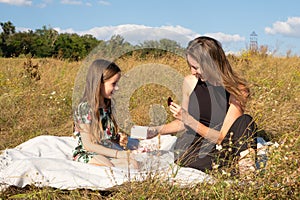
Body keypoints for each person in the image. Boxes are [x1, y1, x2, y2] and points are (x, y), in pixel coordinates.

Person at [147, 36, 257, 174]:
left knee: (246, 121)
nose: (193, 72)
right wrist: (154, 130)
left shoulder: (237, 90)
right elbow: (182, 123)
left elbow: (221, 137)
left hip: (220, 144)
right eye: (190, 66)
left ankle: (245, 170)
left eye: (196, 67)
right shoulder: (190, 82)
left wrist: (188, 119)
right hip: (193, 146)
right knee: (192, 154)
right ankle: (232, 166)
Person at [72, 59, 139, 168]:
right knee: (106, 165)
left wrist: (119, 138)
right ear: (99, 83)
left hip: (107, 150)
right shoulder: (85, 108)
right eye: (113, 84)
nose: (117, 88)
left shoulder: (108, 105)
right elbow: (88, 144)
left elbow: (107, 134)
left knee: (134, 164)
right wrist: (118, 154)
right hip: (89, 153)